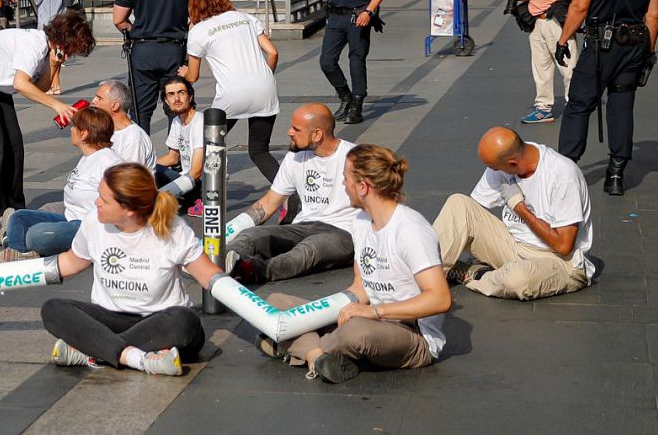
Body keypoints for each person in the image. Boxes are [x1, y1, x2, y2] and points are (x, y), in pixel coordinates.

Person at [260, 144, 450, 385]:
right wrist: (331, 310)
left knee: (355, 331)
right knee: (277, 303)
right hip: (368, 316)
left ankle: (295, 345)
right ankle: (317, 355)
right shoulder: (360, 220)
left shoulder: (411, 230)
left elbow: (440, 299)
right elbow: (360, 288)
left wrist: (375, 312)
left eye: (346, 179)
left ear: (363, 187)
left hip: (411, 332)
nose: (343, 185)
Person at [43, 164, 223, 376]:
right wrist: (1, 275)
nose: (96, 202)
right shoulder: (93, 222)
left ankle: (94, 350)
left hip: (159, 323)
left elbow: (209, 276)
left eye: (104, 199)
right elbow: (71, 262)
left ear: (128, 208)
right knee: (52, 309)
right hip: (110, 319)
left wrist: (263, 317)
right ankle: (138, 358)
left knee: (186, 321)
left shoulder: (172, 228)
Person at [0, 11, 96, 243]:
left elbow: (39, 86)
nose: (69, 56)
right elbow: (22, 84)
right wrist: (56, 105)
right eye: (71, 50)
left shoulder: (47, 53)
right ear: (63, 39)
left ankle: (14, 208)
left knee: (14, 144)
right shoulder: (34, 44)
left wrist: (55, 65)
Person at [554, 0, 658, 195]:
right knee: (621, 105)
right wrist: (647, 53)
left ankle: (567, 169)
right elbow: (653, 16)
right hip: (635, 44)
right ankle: (616, 175)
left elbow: (580, 5)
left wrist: (563, 40)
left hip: (602, 45)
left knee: (579, 103)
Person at [432, 128, 592, 299]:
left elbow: (563, 246)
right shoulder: (504, 161)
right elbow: (471, 212)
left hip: (560, 262)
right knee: (458, 204)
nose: (492, 171)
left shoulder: (562, 175)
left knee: (517, 280)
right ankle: (424, 277)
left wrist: (520, 208)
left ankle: (475, 274)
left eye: (494, 168)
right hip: (514, 246)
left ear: (513, 163)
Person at [223, 104, 357, 285]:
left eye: (296, 129)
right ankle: (225, 260)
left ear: (317, 135)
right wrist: (222, 235)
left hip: (343, 232)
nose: (289, 132)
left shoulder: (355, 158)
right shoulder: (295, 157)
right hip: (304, 225)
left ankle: (253, 270)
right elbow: (268, 203)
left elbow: (379, 204)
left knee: (308, 250)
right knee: (251, 236)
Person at [0, 106, 124, 262]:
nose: (71, 130)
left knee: (38, 235)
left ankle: (16, 244)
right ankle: (19, 249)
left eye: (74, 127)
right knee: (18, 217)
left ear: (83, 134)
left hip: (89, 226)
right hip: (68, 217)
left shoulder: (108, 162)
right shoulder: (87, 157)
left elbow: (122, 200)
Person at [184, 0, 280, 184]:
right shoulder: (246, 18)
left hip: (232, 94)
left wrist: (183, 71)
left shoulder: (199, 31)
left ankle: (211, 197)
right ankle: (288, 192)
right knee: (259, 150)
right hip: (265, 88)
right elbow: (272, 52)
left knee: (210, 144)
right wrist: (264, 75)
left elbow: (193, 77)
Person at [113, 0, 196, 132]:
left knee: (141, 111)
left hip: (143, 52)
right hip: (175, 50)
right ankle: (176, 156)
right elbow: (196, 20)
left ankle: (142, 160)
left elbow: (119, 20)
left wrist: (137, 32)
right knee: (177, 107)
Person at [318, 0, 388, 124]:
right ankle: (345, 96)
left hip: (358, 17)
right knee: (326, 61)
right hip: (335, 16)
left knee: (356, 60)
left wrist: (368, 11)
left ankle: (357, 104)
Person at [510, 0, 574, 126]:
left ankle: (575, 106)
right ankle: (543, 108)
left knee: (568, 66)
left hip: (555, 19)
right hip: (536, 20)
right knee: (541, 68)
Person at [150, 77, 204, 215]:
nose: (176, 98)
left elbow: (197, 171)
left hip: (203, 184)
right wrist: (142, 168)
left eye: (181, 93)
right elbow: (172, 158)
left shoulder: (199, 122)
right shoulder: (176, 122)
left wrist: (158, 197)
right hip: (187, 180)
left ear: (190, 96)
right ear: (166, 102)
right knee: (150, 170)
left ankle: (197, 200)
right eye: (171, 94)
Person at [89, 79, 153, 167]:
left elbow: (129, 177)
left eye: (99, 98)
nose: (93, 101)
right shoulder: (105, 129)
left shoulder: (133, 139)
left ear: (115, 105)